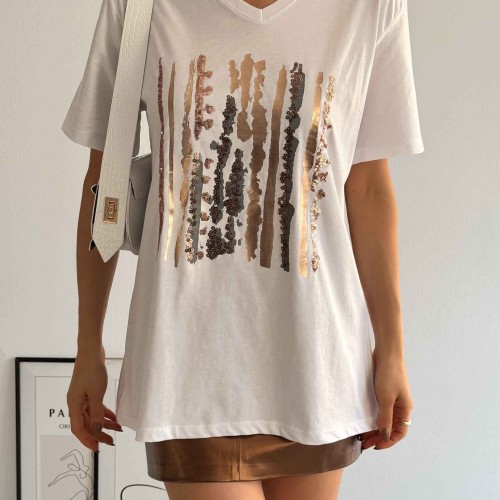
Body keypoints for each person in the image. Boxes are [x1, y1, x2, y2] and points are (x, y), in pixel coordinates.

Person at [63, 0, 423, 498]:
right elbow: (103, 187)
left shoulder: (370, 8)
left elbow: (368, 187)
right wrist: (89, 349)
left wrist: (393, 350)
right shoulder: (139, 7)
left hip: (315, 363)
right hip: (187, 366)